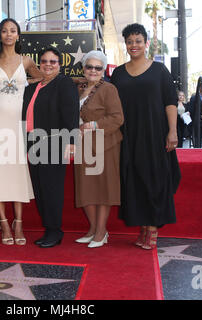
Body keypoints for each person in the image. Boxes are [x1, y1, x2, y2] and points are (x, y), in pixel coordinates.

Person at [110, 23, 181, 250]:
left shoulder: (160, 71)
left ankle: (152, 229)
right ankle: (142, 225)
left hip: (155, 133)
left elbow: (170, 102)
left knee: (155, 180)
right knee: (134, 180)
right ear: (126, 44)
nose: (134, 45)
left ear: (146, 43)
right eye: (130, 41)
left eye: (138, 41)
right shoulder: (118, 73)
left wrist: (172, 131)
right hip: (128, 135)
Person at [0, 18, 42, 245]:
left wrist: (26, 86)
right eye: (4, 31)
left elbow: (42, 77)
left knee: (16, 172)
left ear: (18, 35)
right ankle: (4, 222)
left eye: (12, 31)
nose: (8, 34)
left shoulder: (26, 61)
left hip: (18, 123)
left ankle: (19, 223)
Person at [22, 47, 79, 248]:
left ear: (59, 64)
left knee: (51, 190)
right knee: (40, 189)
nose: (48, 64)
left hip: (55, 143)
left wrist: (72, 142)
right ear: (39, 64)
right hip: (33, 144)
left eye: (52, 61)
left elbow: (71, 114)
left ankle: (55, 231)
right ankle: (49, 229)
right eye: (44, 61)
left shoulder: (64, 84)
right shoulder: (33, 87)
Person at [74, 50, 124, 248]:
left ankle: (101, 232)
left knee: (104, 189)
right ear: (83, 68)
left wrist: (93, 125)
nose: (93, 71)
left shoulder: (109, 89)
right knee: (85, 189)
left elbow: (117, 118)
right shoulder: (79, 87)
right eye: (89, 66)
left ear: (103, 70)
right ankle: (93, 229)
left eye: (98, 67)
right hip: (83, 146)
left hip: (105, 145)